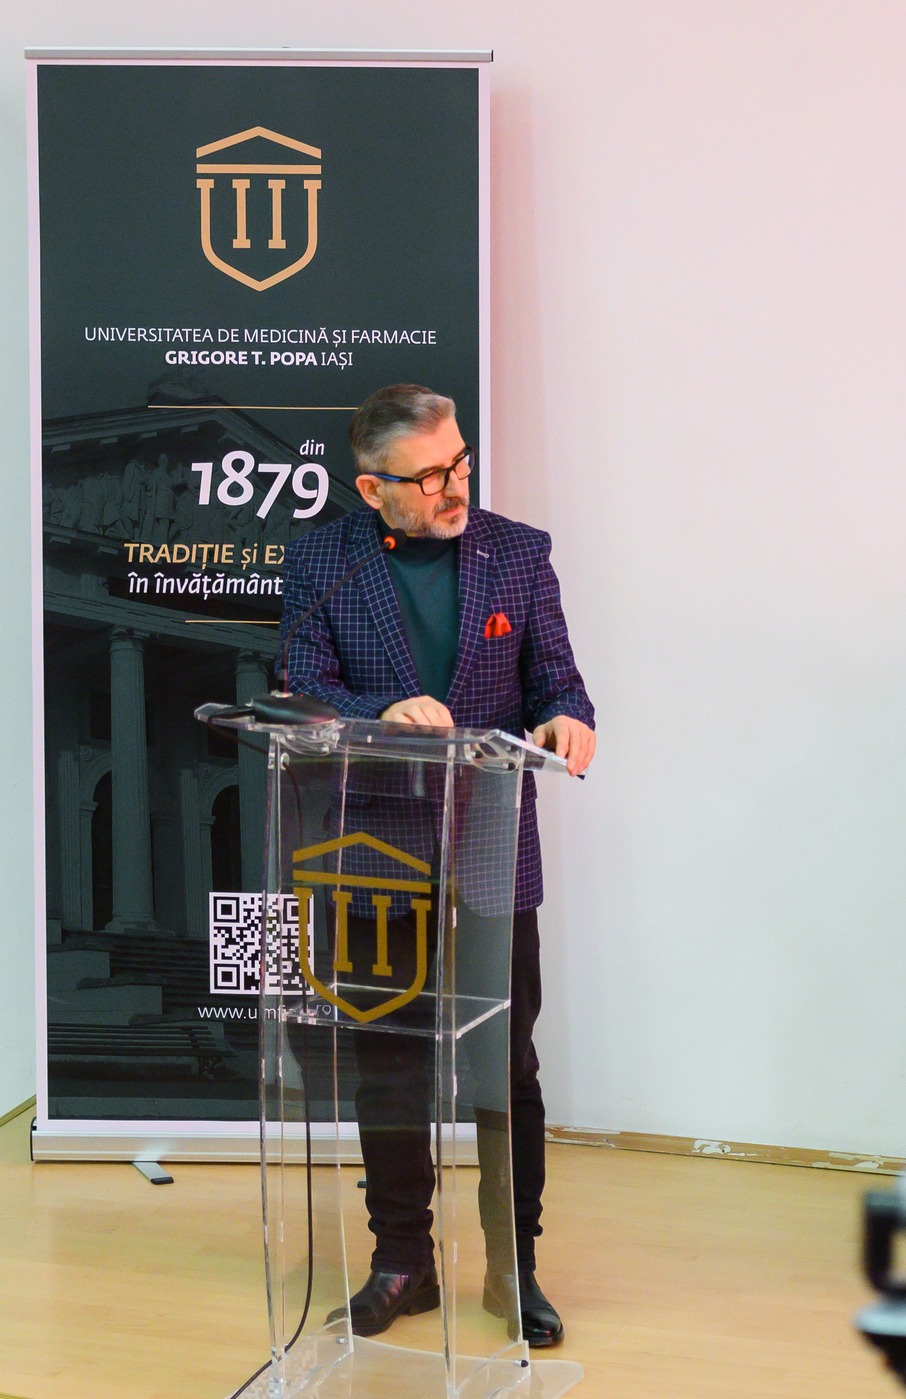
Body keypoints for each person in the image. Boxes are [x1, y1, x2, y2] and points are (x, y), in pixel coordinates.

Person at [280, 384, 596, 1347]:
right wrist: (377, 712)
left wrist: (569, 717)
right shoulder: (323, 560)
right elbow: (304, 684)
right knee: (389, 1059)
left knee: (506, 1061)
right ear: (372, 488)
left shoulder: (518, 553)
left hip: (491, 840)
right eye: (429, 475)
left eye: (459, 461)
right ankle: (401, 1261)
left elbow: (558, 681)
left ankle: (513, 1265)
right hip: (374, 844)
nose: (456, 485)